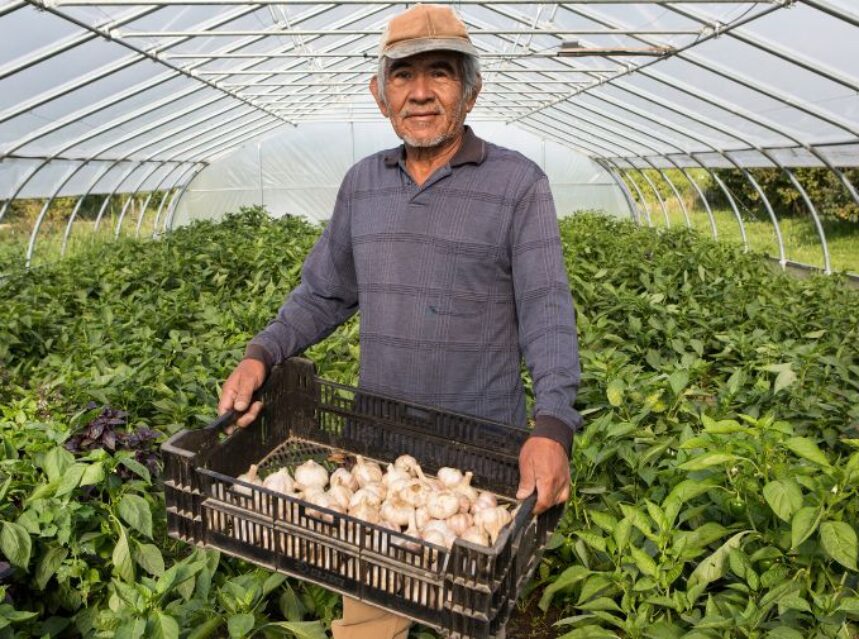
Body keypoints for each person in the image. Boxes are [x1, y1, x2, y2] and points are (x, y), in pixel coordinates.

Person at [218, 4, 582, 638]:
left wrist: (553, 425)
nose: (419, 92)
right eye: (402, 74)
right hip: (377, 454)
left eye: (439, 73)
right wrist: (263, 352)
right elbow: (324, 293)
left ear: (471, 90)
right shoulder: (363, 184)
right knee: (368, 619)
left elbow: (546, 309)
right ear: (379, 92)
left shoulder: (519, 185)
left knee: (470, 614)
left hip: (484, 460)